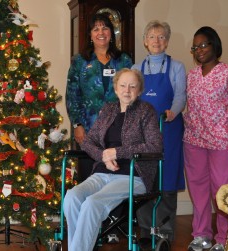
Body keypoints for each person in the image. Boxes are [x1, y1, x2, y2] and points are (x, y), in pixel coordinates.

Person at [63, 68, 163, 251]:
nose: (127, 90)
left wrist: (117, 152)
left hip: (134, 175)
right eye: (123, 85)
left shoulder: (145, 111)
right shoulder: (109, 109)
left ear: (139, 90)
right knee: (71, 197)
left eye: (132, 86)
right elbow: (88, 142)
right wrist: (103, 156)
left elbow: (155, 146)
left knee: (93, 203)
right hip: (102, 173)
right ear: (116, 89)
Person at [184, 27, 228, 251]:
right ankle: (201, 235)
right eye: (195, 47)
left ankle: (225, 238)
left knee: (224, 190)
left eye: (204, 45)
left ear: (215, 45)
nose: (199, 50)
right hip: (194, 139)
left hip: (223, 141)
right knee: (198, 190)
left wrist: (222, 118)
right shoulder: (191, 75)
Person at [132, 20, 186, 241]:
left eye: (162, 36)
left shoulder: (177, 67)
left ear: (167, 41)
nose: (157, 40)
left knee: (167, 178)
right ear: (145, 41)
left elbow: (181, 95)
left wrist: (172, 112)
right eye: (152, 36)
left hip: (170, 130)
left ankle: (164, 232)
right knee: (145, 179)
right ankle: (145, 231)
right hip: (143, 133)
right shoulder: (136, 69)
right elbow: (131, 97)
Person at [65, 13, 132, 183]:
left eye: (105, 28)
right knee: (89, 179)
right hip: (88, 131)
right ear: (90, 34)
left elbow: (131, 93)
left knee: (115, 180)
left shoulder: (123, 60)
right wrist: (77, 125)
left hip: (118, 130)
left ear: (111, 32)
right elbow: (72, 95)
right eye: (96, 29)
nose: (101, 32)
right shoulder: (79, 62)